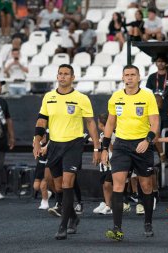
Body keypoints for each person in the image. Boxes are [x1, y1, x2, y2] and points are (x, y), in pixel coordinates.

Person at [33, 64, 100, 240]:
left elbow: (91, 123)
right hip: (54, 145)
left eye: (66, 74)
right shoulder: (49, 97)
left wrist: (96, 147)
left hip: (73, 144)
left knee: (67, 183)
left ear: (73, 77)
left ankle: (63, 226)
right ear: (57, 76)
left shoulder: (81, 98)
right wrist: (36, 142)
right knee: (56, 185)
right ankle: (73, 217)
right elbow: (41, 121)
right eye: (60, 74)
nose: (62, 77)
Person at [101, 65, 159, 241]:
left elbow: (155, 123)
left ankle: (148, 222)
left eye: (133, 74)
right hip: (121, 145)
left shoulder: (148, 96)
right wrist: (104, 148)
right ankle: (117, 229)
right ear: (122, 77)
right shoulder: (116, 97)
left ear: (139, 77)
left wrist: (147, 140)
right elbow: (110, 123)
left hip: (142, 144)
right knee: (118, 185)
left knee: (146, 186)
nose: (130, 78)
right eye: (126, 75)